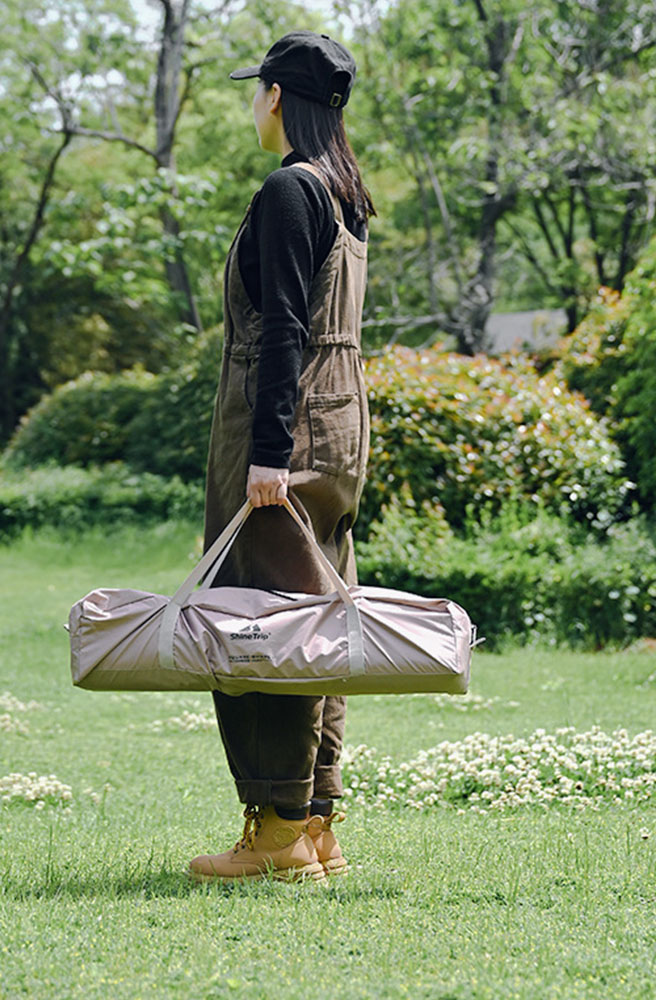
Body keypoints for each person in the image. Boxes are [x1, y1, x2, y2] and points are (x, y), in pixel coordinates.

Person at [188, 30, 376, 883]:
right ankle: (316, 827)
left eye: (255, 88)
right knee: (317, 622)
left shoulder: (289, 190)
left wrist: (266, 456)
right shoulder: (345, 196)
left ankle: (276, 832)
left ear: (276, 96)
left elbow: (283, 336)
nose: (250, 103)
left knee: (258, 622)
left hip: (286, 431)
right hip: (337, 426)